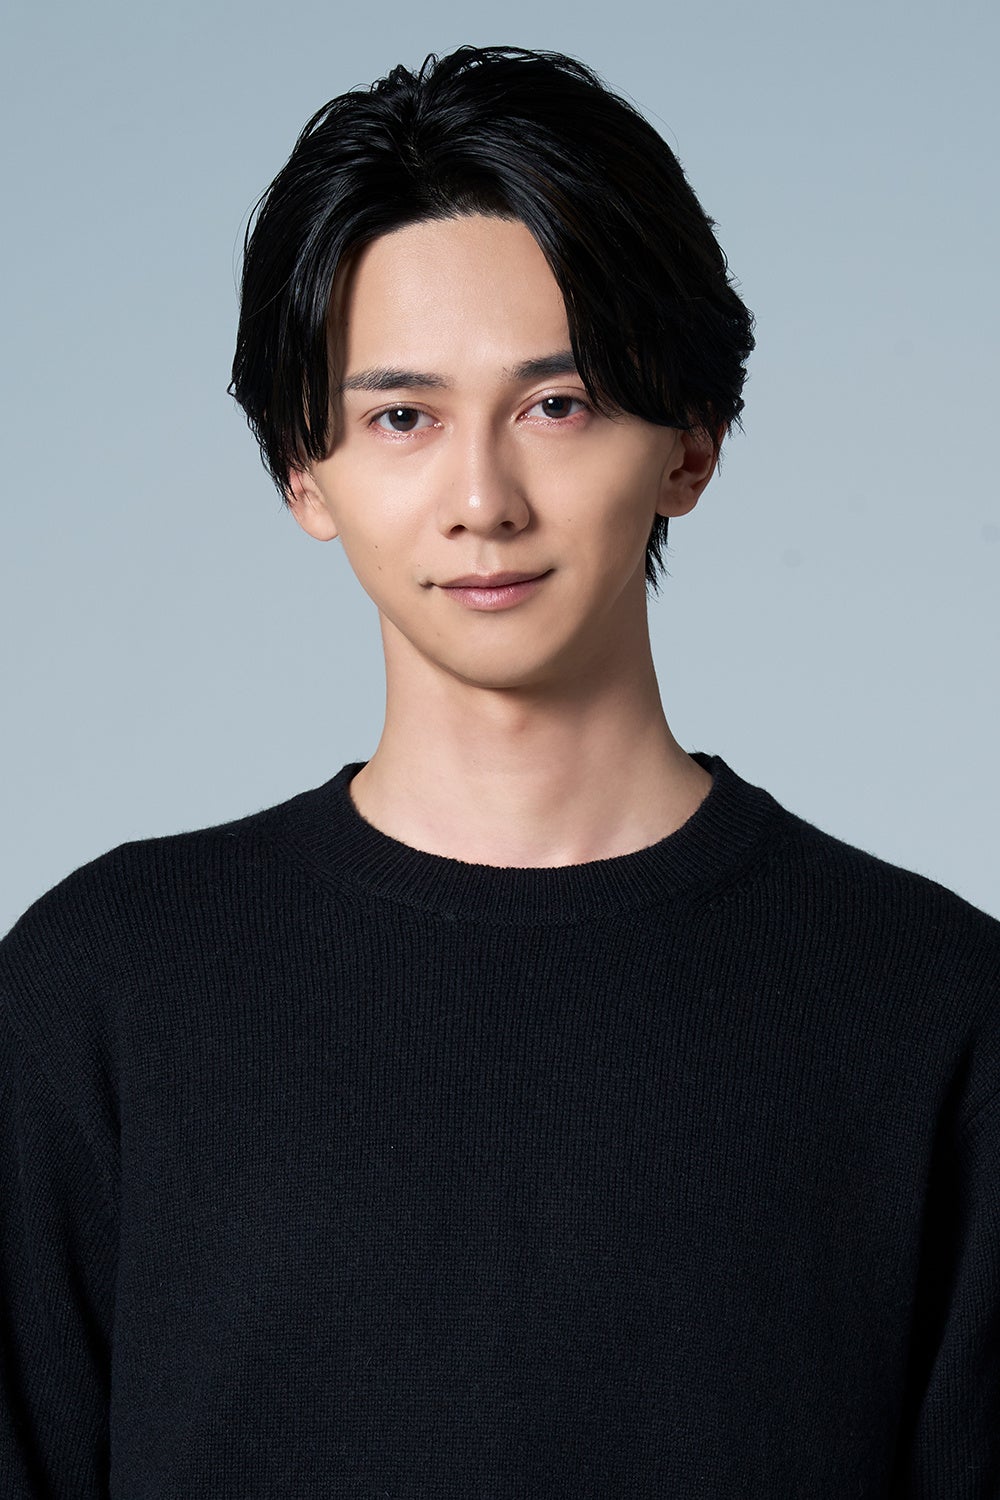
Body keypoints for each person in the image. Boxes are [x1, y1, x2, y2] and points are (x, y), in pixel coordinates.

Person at [1, 44, 997, 1499]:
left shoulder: (935, 1009)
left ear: (693, 442)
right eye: (402, 417)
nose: (482, 500)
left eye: (558, 403)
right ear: (303, 471)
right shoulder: (99, 993)